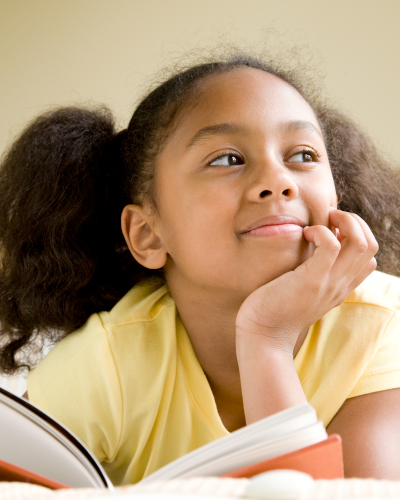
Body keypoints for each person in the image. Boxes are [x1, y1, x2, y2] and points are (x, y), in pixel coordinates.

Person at [0, 54, 400, 484]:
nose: (278, 179)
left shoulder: (382, 326)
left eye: (302, 154)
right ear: (148, 234)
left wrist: (267, 339)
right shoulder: (107, 362)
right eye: (227, 159)